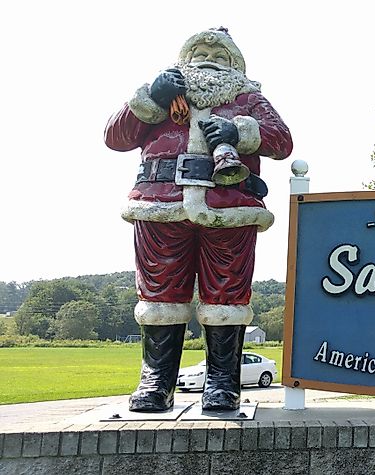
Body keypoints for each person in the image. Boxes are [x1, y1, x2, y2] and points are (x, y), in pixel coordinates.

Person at [104, 27, 293, 412]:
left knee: (226, 293)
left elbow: (282, 140)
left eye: (220, 55)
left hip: (228, 207)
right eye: (199, 52)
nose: (208, 58)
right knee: (159, 294)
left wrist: (238, 132)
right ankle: (157, 381)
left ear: (235, 66)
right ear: (183, 59)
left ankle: (223, 381)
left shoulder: (248, 99)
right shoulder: (161, 97)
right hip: (161, 204)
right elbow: (115, 136)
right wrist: (147, 99)